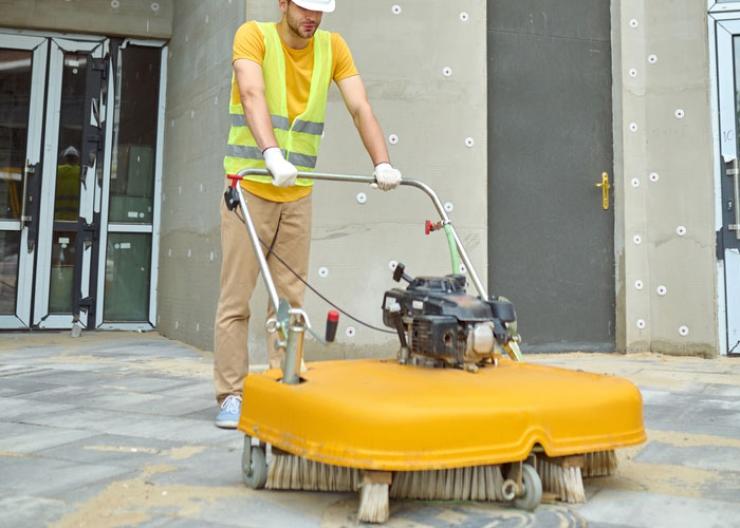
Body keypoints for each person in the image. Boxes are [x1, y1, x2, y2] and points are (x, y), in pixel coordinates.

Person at [214, 0, 402, 428]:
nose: (312, 17)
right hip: (251, 188)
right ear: (283, 3)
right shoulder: (253, 36)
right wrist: (272, 154)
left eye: (319, 9)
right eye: (304, 7)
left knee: (290, 301)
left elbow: (360, 106)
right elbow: (251, 93)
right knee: (236, 300)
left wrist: (381, 162)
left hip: (298, 194)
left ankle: (285, 386)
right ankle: (231, 395)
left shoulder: (332, 47)